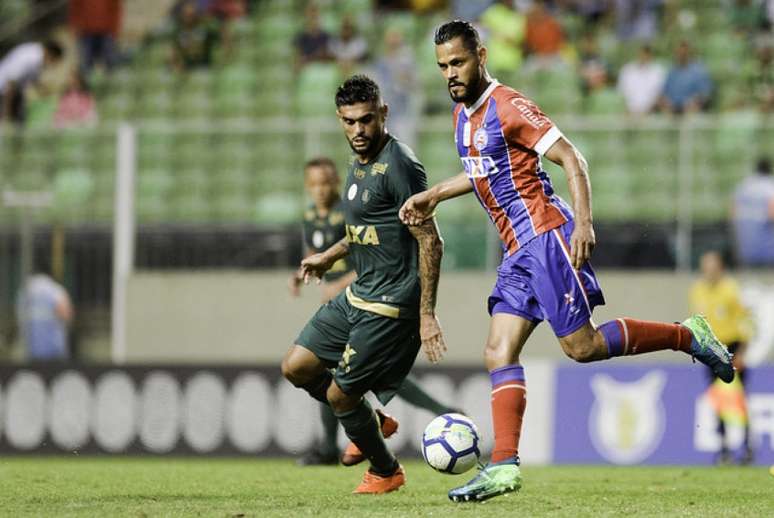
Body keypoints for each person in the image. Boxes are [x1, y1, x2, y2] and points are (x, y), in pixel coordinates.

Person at [399, 20, 734, 503]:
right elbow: (483, 173)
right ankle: (504, 468)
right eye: (443, 66)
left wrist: (583, 222)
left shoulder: (508, 105)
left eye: (458, 62)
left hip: (546, 237)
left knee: (584, 347)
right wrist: (434, 194)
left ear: (482, 56)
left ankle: (689, 335)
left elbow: (572, 158)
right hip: (517, 250)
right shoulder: (462, 117)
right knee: (498, 351)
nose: (450, 73)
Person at [281, 75, 445, 494]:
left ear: (383, 113)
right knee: (296, 366)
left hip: (391, 301)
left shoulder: (401, 165)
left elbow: (430, 239)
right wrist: (328, 256)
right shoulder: (357, 164)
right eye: (349, 122)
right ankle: (371, 419)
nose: (359, 130)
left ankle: (387, 470)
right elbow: (362, 231)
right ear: (340, 119)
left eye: (366, 120)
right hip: (359, 293)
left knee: (339, 397)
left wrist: (426, 314)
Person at [290, 157, 458, 466]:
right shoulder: (311, 216)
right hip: (344, 305)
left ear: (336, 183)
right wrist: (304, 274)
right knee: (326, 372)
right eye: (314, 184)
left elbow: (374, 253)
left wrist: (340, 283)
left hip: (374, 299)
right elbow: (318, 253)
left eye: (326, 182)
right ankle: (338, 441)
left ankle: (437, 415)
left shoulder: (350, 209)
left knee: (360, 378)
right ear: (307, 186)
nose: (321, 189)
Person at [690, 251, 753, 465]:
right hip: (710, 350)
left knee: (738, 400)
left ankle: (746, 447)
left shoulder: (731, 290)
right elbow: (698, 324)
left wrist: (742, 353)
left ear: (720, 268)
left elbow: (745, 322)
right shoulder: (697, 290)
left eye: (712, 266)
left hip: (732, 346)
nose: (708, 271)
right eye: (705, 266)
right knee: (718, 401)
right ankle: (724, 448)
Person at [16, 262, 74, 362]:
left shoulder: (24, 292)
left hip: (30, 351)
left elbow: (19, 315)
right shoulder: (55, 289)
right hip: (54, 351)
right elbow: (66, 314)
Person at [0, 40, 64, 125]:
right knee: (10, 123)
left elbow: (34, 82)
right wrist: (7, 112)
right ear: (50, 53)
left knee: (19, 120)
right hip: (4, 90)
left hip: (14, 91)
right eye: (53, 61)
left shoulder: (38, 59)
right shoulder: (30, 57)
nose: (52, 65)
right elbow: (10, 84)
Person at [732, 157, 774, 266]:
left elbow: (732, 213)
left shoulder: (743, 185)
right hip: (767, 253)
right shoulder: (770, 187)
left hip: (744, 250)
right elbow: (771, 214)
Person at [658, 41, 713, 114]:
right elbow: (664, 93)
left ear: (689, 53)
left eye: (684, 53)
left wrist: (694, 104)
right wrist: (665, 103)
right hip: (672, 109)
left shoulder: (699, 71)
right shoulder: (672, 71)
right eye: (679, 53)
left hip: (691, 109)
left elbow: (705, 94)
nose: (681, 55)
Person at [68, 0, 122, 73]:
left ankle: (111, 83)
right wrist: (75, 26)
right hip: (85, 32)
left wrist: (115, 30)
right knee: (85, 65)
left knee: (111, 63)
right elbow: (75, 8)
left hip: (107, 31)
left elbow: (116, 8)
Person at [169, 0, 220, 72]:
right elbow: (174, 53)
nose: (188, 18)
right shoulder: (178, 33)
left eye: (191, 15)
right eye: (186, 15)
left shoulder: (206, 30)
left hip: (204, 68)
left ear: (197, 15)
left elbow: (222, 33)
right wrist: (176, 65)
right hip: (185, 69)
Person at [617, 44, 665, 115]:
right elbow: (621, 93)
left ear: (650, 55)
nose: (643, 57)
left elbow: (659, 95)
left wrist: (647, 111)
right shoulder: (627, 70)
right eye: (642, 54)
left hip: (650, 113)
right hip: (628, 114)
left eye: (646, 54)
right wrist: (628, 110)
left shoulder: (658, 72)